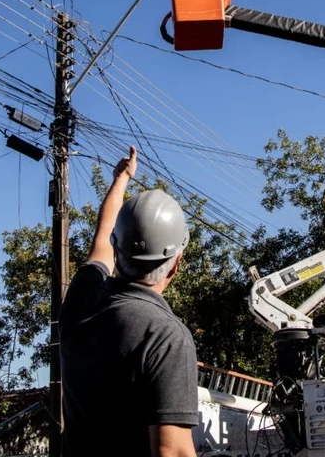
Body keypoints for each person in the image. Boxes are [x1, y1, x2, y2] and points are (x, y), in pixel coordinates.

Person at [59, 145, 199, 457]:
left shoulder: (82, 300)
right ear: (176, 263)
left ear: (117, 249)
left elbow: (102, 239)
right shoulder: (166, 337)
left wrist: (120, 179)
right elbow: (173, 451)